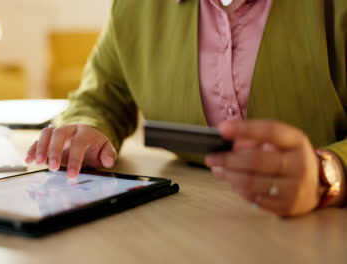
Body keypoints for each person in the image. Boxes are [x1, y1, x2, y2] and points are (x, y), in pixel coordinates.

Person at [26, 0, 347, 216]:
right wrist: (88, 127)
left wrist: (327, 173)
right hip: (187, 219)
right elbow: (101, 97)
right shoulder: (135, 7)